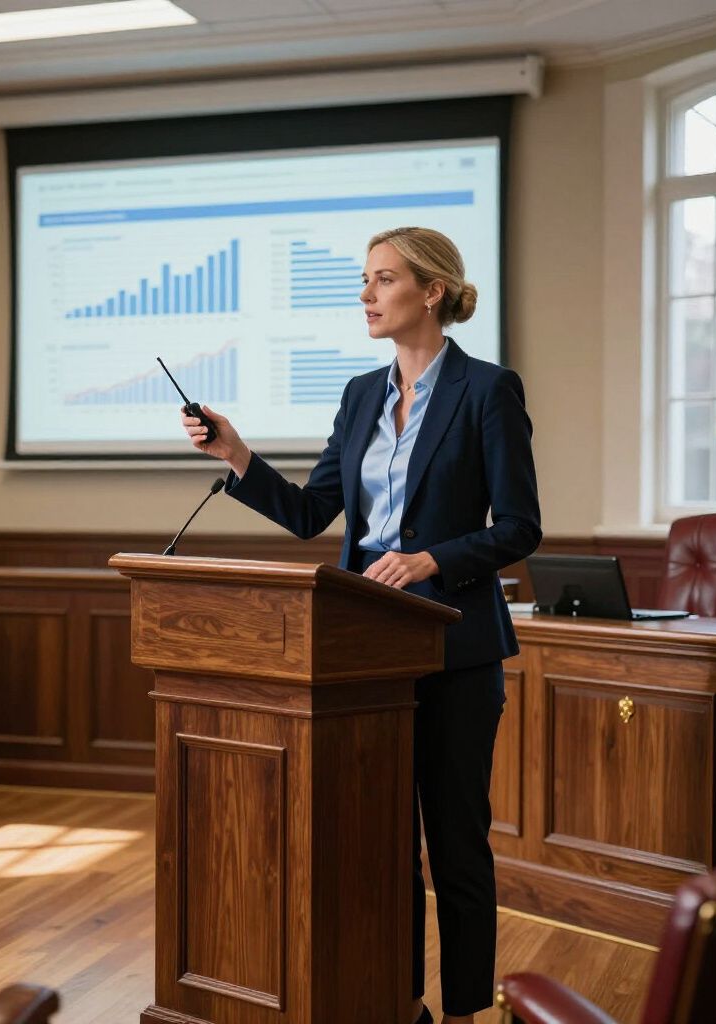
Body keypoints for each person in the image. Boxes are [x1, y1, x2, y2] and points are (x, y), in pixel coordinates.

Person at [179, 226, 541, 1024]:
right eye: (365, 281)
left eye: (383, 280)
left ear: (431, 291)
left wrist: (430, 559)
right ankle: (400, 998)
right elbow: (314, 514)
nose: (367, 296)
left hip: (454, 646)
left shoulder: (487, 389)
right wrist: (237, 454)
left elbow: (519, 527)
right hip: (362, 654)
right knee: (382, 844)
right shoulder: (358, 395)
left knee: (455, 843)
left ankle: (466, 1013)